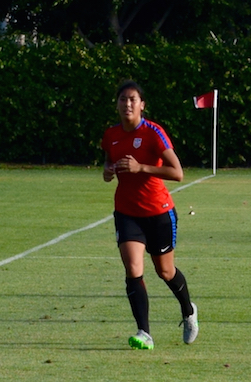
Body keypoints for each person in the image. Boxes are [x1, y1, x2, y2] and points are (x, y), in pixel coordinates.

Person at [101, 80, 198, 349]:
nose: (127, 104)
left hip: (158, 212)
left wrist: (141, 167)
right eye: (123, 99)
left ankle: (189, 311)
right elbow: (109, 160)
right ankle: (144, 332)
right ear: (117, 104)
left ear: (142, 104)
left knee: (165, 271)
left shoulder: (154, 132)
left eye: (133, 99)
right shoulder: (111, 135)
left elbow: (177, 173)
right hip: (127, 212)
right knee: (133, 269)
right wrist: (108, 170)